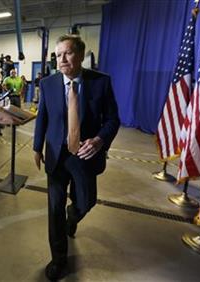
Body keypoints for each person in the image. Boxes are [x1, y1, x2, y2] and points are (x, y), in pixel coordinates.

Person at [33, 34, 120, 280]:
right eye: (58, 54)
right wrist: (37, 147)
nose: (61, 59)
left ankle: (74, 216)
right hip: (56, 156)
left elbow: (113, 119)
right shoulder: (48, 84)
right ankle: (58, 259)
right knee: (54, 209)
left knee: (86, 202)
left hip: (84, 155)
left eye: (67, 53)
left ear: (81, 55)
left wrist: (100, 140)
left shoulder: (101, 82)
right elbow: (43, 117)